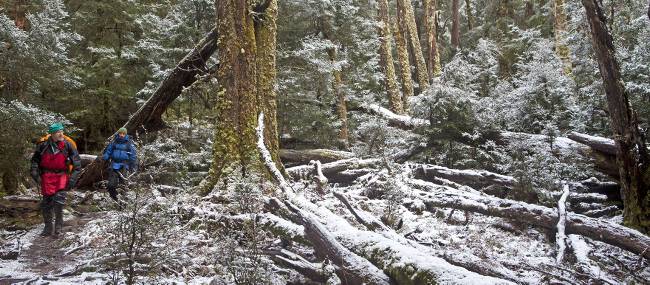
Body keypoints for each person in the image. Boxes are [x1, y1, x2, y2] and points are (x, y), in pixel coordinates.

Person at [31, 122, 81, 237]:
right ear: (52, 134)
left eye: (61, 131)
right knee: (46, 204)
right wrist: (34, 172)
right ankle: (48, 228)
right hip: (47, 177)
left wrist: (72, 179)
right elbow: (35, 161)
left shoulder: (68, 145)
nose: (61, 134)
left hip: (62, 176)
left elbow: (77, 165)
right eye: (58, 132)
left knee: (59, 202)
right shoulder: (43, 146)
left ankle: (58, 228)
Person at [102, 127, 137, 201]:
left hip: (124, 165)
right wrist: (105, 157)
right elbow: (108, 151)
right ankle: (115, 199)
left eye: (123, 134)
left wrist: (133, 167)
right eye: (120, 133)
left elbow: (133, 156)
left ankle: (123, 204)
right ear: (118, 134)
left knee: (123, 186)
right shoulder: (114, 142)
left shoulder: (129, 143)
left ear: (125, 134)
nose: (121, 135)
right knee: (111, 185)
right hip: (114, 165)